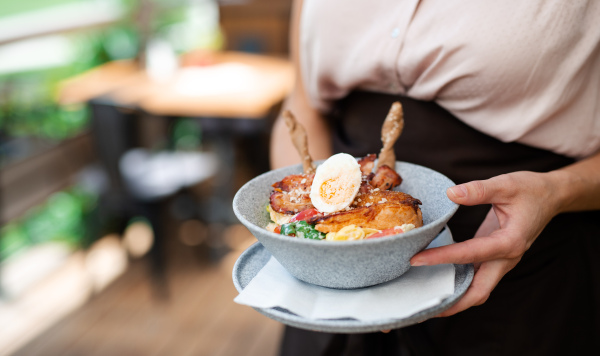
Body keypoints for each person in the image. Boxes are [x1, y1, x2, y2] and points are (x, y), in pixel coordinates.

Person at [269, 1, 600, 355]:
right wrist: (307, 232)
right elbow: (303, 103)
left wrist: (556, 191)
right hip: (331, 275)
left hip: (517, 264)